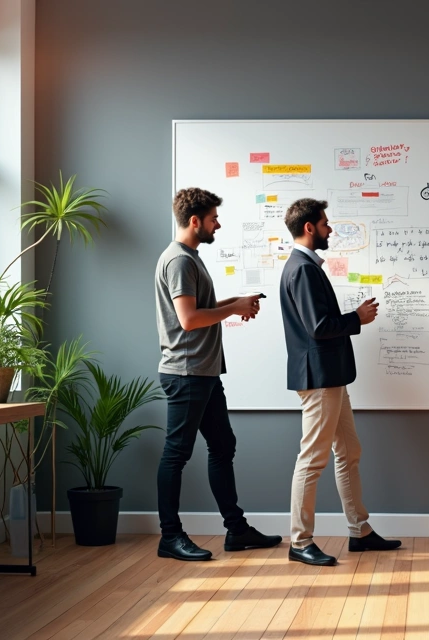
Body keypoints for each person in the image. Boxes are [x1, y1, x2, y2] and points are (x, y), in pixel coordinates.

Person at [154, 187, 281, 561]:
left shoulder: (190, 257)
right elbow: (189, 320)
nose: (218, 224)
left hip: (204, 373)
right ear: (195, 221)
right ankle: (170, 536)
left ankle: (236, 529)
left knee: (223, 445)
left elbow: (201, 308)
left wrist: (236, 303)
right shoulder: (179, 261)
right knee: (176, 455)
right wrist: (232, 308)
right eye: (213, 219)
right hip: (187, 373)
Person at [280, 197, 401, 566]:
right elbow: (319, 327)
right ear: (309, 228)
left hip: (331, 378)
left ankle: (359, 532)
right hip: (319, 380)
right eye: (325, 223)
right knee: (312, 459)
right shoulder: (301, 269)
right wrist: (357, 318)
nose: (330, 229)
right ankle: (300, 542)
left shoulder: (307, 267)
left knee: (348, 452)